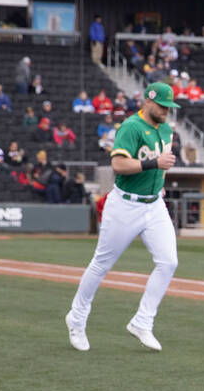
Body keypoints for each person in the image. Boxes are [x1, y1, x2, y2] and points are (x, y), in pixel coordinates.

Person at [65, 82, 180, 353]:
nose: (166, 111)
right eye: (162, 106)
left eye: (169, 107)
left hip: (154, 204)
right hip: (125, 205)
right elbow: (118, 165)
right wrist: (154, 164)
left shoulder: (165, 129)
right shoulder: (130, 127)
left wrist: (157, 178)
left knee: (169, 262)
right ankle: (77, 318)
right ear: (148, 102)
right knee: (101, 264)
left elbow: (161, 166)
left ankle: (142, 321)